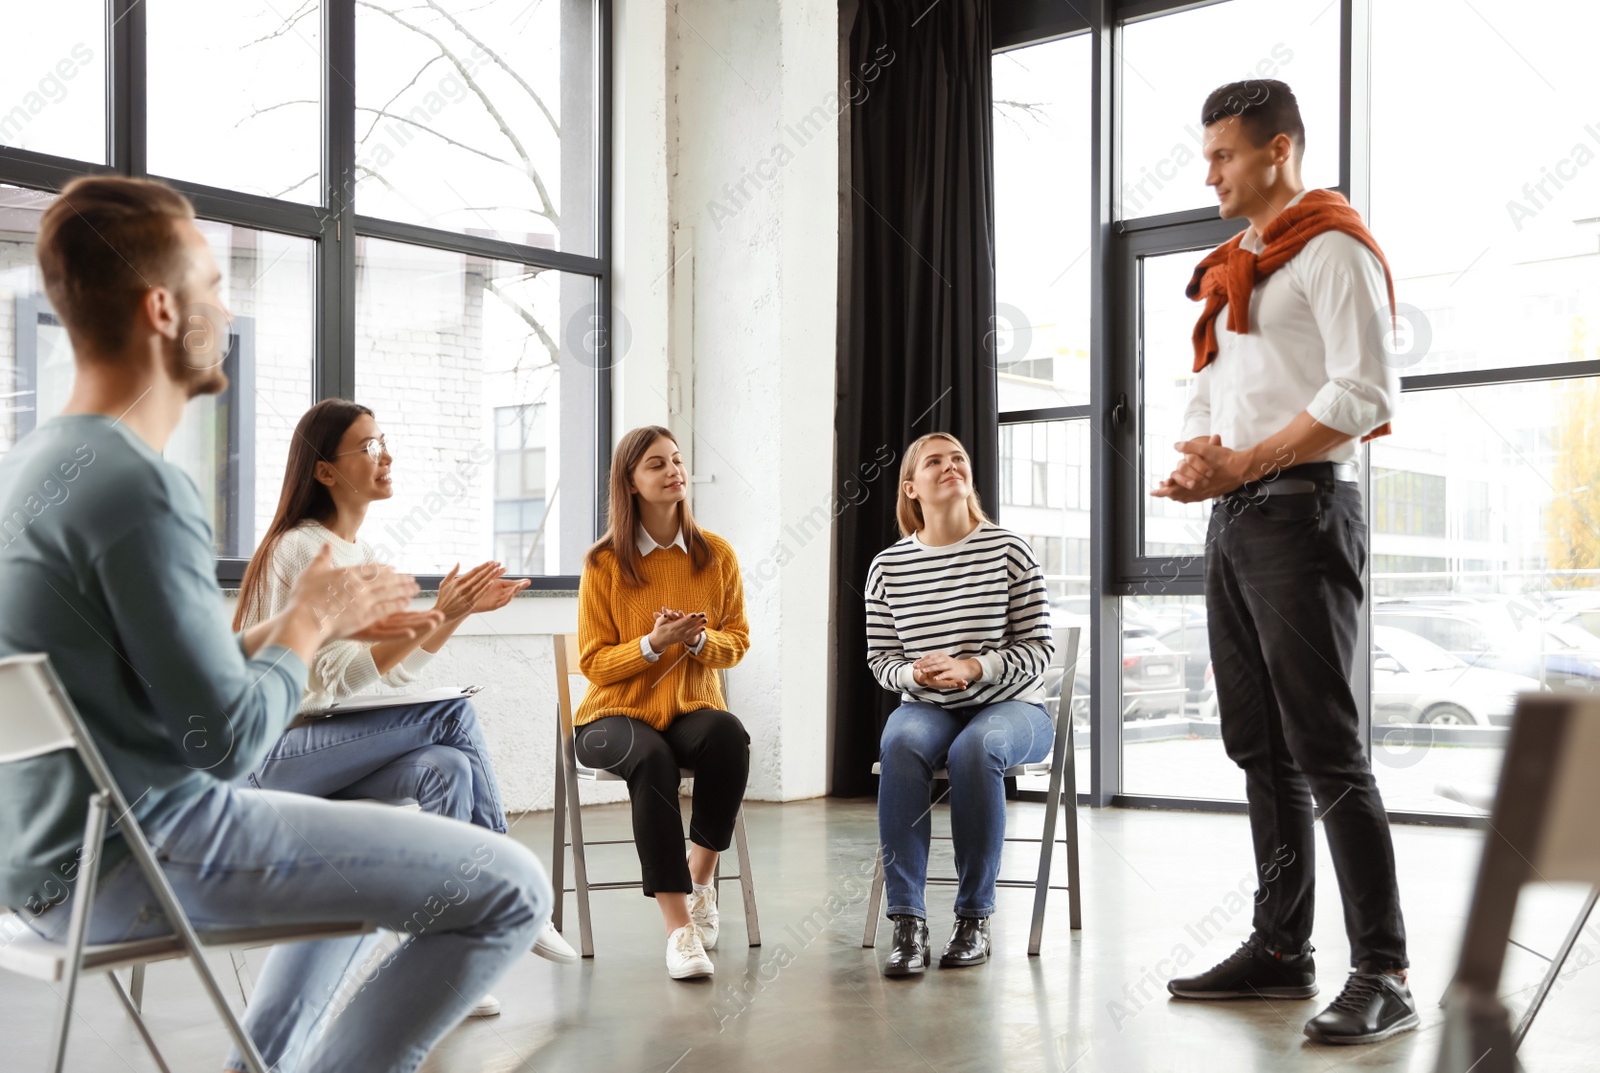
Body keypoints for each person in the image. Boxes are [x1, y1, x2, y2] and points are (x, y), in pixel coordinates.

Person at [0, 175, 552, 1073]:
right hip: (144, 857)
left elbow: (149, 680)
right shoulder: (138, 486)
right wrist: (311, 623)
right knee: (512, 888)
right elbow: (221, 740)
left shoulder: (34, 470)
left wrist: (287, 629)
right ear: (162, 310)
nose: (227, 304)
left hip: (36, 873)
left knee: (382, 803)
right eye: (214, 285)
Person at [1152, 80, 1416, 1045]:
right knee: (1259, 746)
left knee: (1328, 751)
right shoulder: (1237, 266)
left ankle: (1383, 969)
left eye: (1224, 153)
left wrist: (1250, 460)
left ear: (1280, 152)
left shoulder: (1331, 249)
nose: (1210, 171)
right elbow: (1215, 391)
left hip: (1303, 514)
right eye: (1208, 152)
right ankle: (1280, 947)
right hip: (1239, 520)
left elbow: (1366, 387)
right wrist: (1197, 466)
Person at [233, 399, 579, 1015]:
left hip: (325, 747)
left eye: (383, 440)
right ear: (325, 472)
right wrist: (443, 614)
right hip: (275, 753)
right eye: (367, 447)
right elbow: (324, 678)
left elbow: (380, 678)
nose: (385, 455)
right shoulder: (300, 550)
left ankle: (438, 965)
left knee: (448, 768)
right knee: (453, 717)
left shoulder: (360, 556)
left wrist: (454, 612)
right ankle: (518, 895)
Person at [865, 432, 1055, 976]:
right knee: (900, 744)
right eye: (935, 461)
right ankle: (907, 923)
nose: (951, 466)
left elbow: (1039, 648)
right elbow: (882, 661)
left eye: (959, 459)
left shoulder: (1009, 550)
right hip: (929, 706)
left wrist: (974, 667)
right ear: (911, 487)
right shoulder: (889, 568)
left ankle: (974, 919)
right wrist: (915, 672)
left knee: (978, 749)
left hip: (1015, 706)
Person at [571, 425, 751, 980]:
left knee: (727, 734)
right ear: (629, 483)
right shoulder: (604, 563)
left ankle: (701, 882)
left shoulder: (715, 555)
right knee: (652, 759)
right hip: (610, 717)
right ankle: (679, 931)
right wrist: (653, 644)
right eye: (657, 464)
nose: (675, 471)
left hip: (688, 710)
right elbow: (594, 661)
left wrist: (696, 640)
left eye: (676, 460)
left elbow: (737, 643)